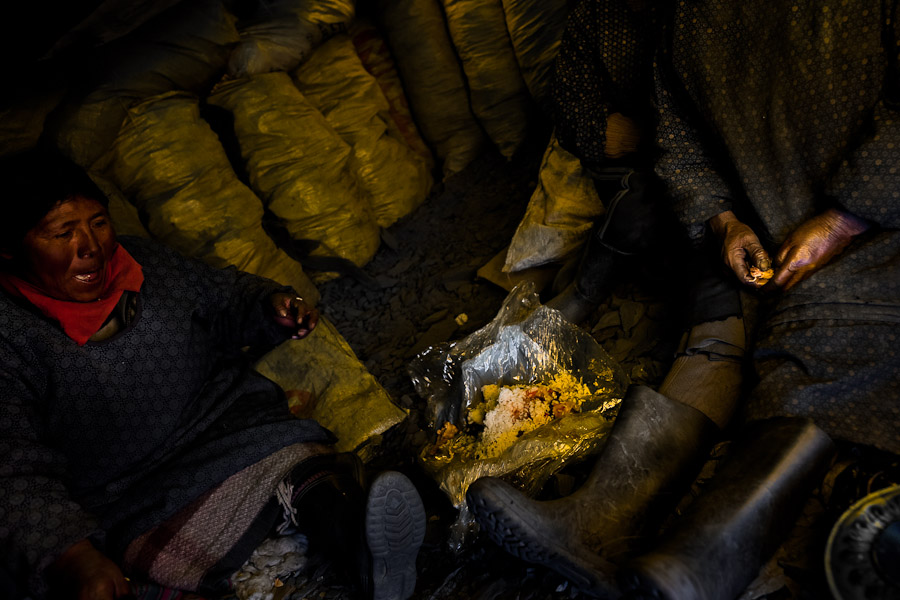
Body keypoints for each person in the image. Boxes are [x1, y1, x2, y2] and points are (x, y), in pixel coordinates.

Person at [467, 0, 899, 598]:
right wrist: (722, 221)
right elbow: (677, 139)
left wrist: (845, 218)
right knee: (723, 320)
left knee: (801, 360)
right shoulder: (678, 18)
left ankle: (695, 562)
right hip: (762, 221)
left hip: (879, 225)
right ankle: (601, 525)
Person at [0, 148, 426, 600]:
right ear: (9, 249)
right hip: (135, 496)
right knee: (143, 581)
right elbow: (13, 473)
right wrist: (74, 555)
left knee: (312, 481)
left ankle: (369, 555)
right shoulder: (11, 338)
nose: (92, 247)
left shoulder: (145, 264)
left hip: (233, 430)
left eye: (98, 222)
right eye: (62, 233)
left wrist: (268, 308)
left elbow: (223, 296)